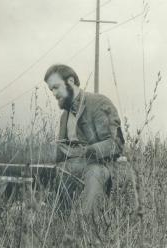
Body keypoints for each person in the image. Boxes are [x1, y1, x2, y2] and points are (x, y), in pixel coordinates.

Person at [44, 64, 125, 216]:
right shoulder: (64, 117)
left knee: (94, 173)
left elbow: (116, 144)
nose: (54, 94)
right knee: (52, 171)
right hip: (71, 167)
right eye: (51, 90)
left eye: (56, 87)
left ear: (70, 81)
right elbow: (61, 154)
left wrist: (85, 151)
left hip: (100, 166)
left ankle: (88, 230)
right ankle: (61, 225)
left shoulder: (99, 103)